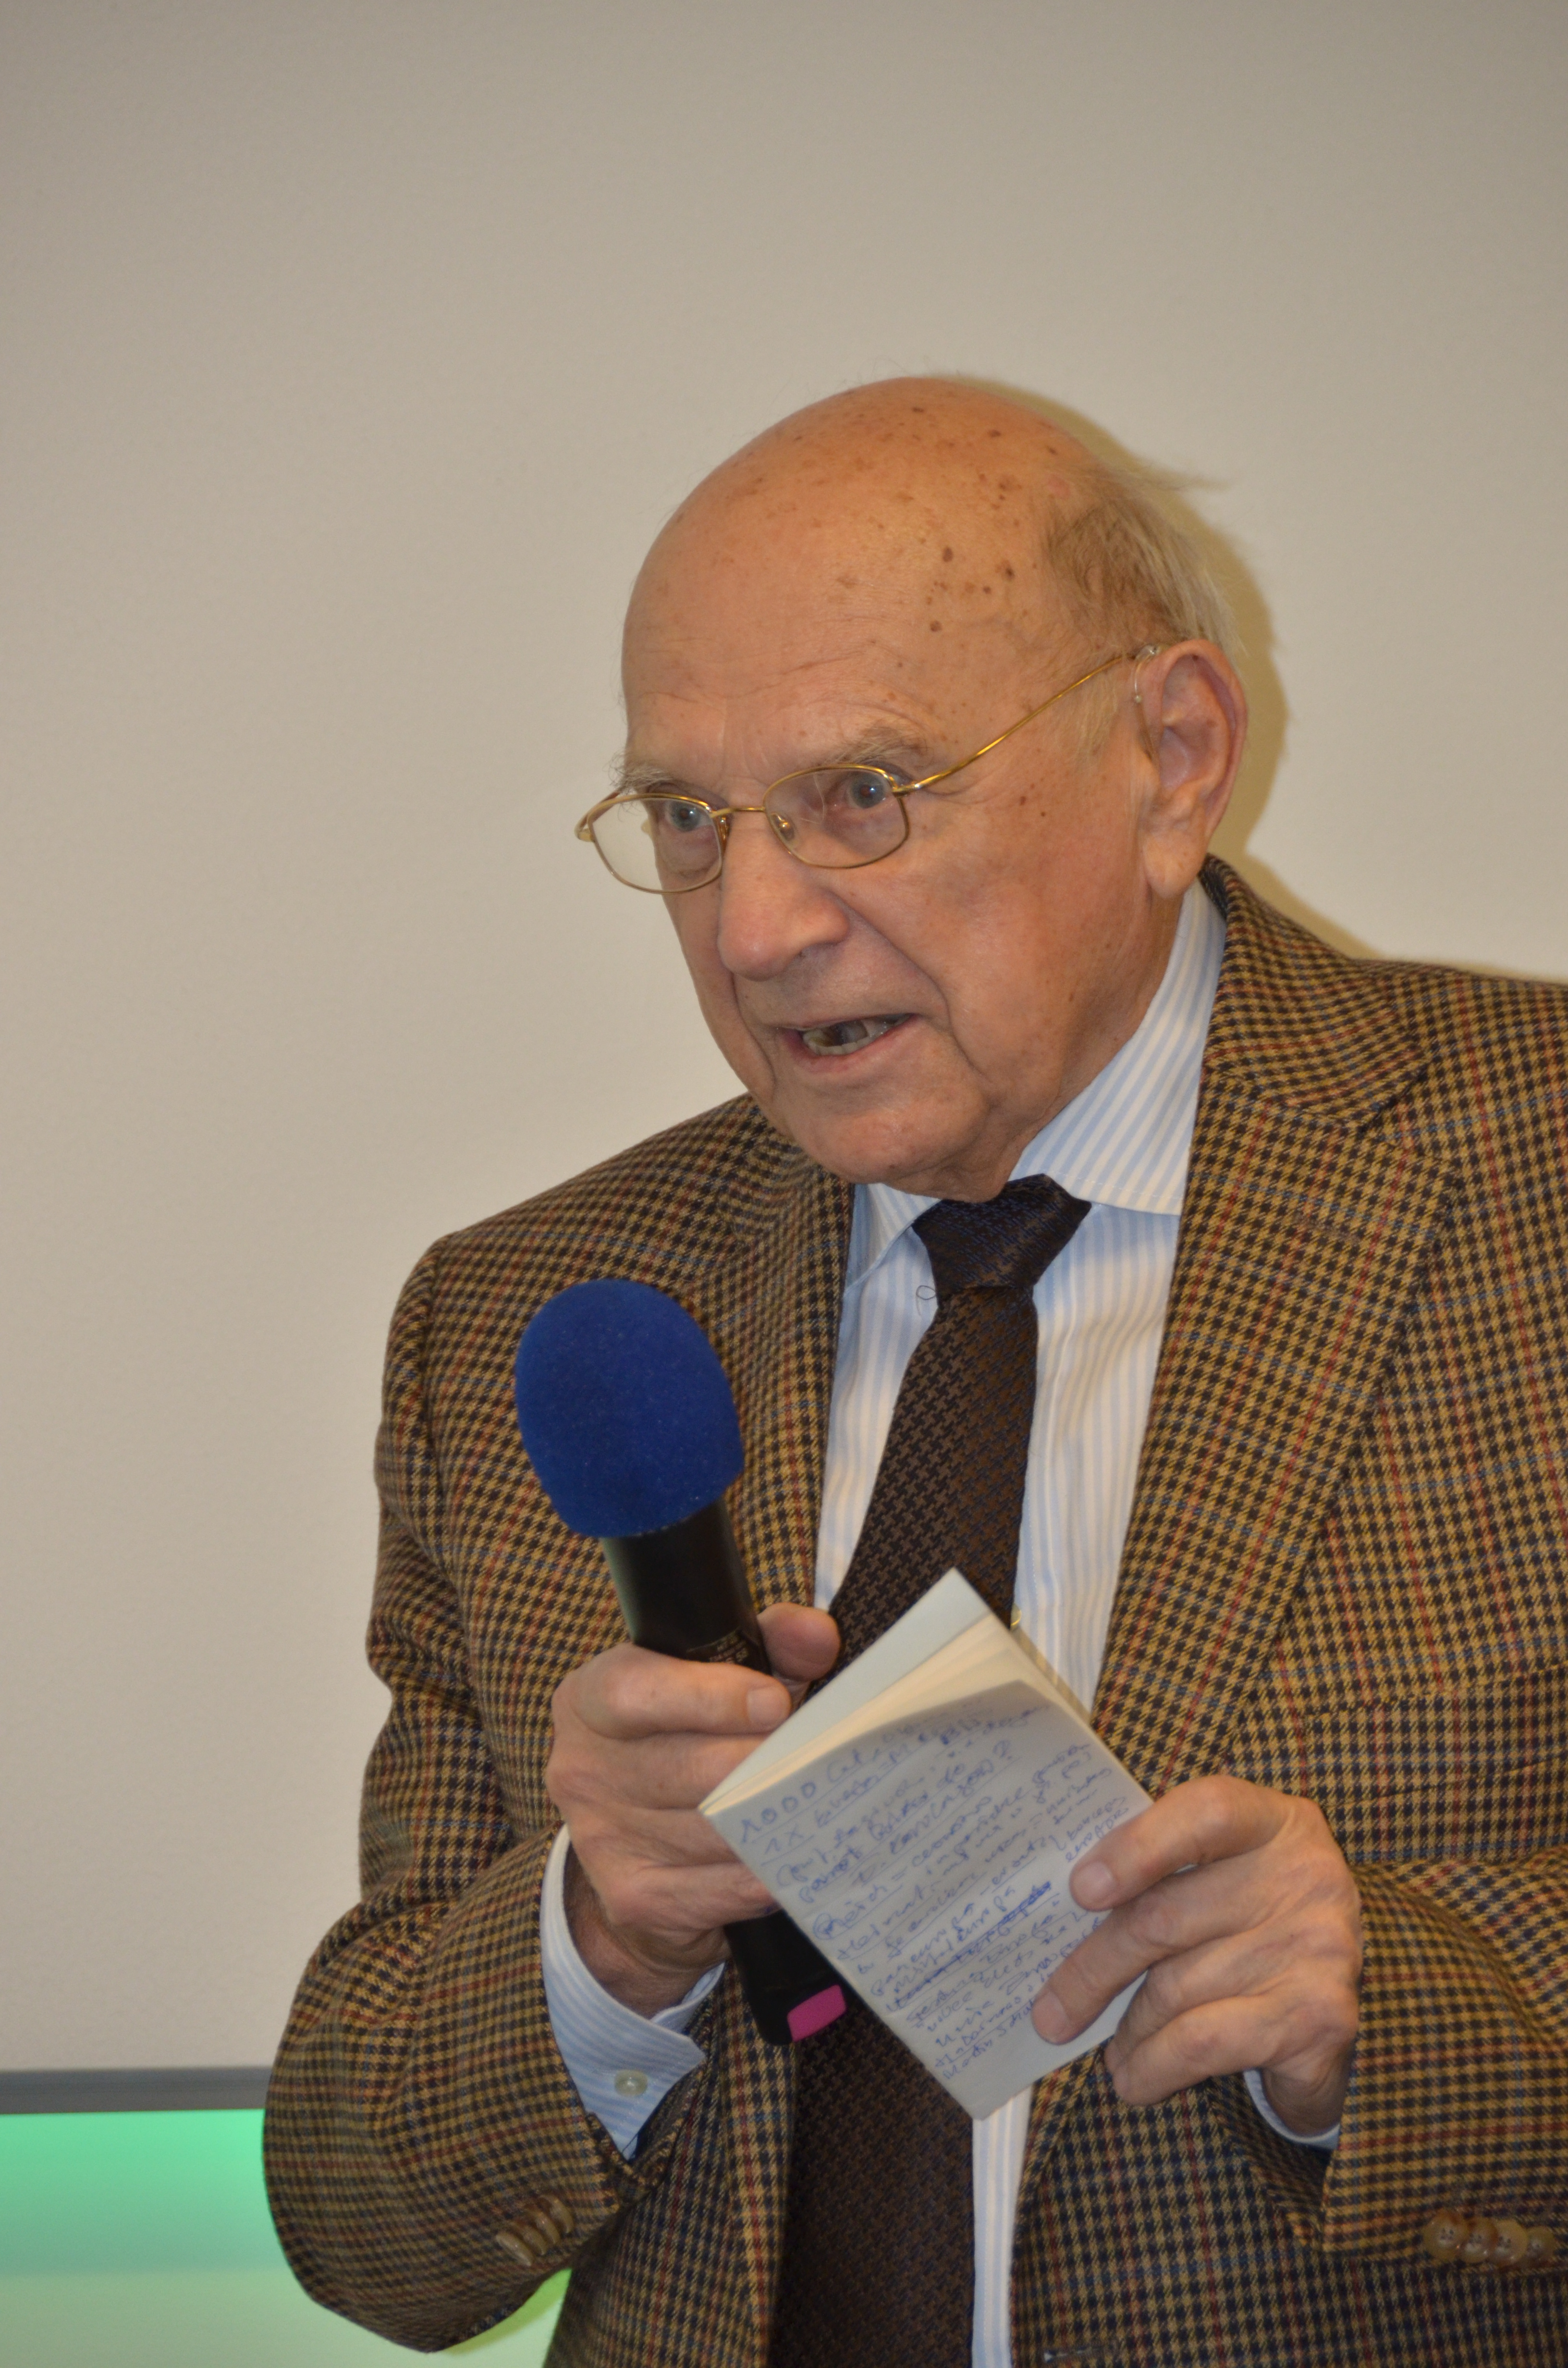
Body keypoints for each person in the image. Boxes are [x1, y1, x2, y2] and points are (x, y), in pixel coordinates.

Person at [264, 380, 1568, 2366]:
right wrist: (598, 1936)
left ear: (1171, 758)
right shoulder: (536, 1315)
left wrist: (1398, 2002)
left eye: (863, 791)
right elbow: (365, 2223)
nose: (756, 927)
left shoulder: (1534, 1183)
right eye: (688, 820)